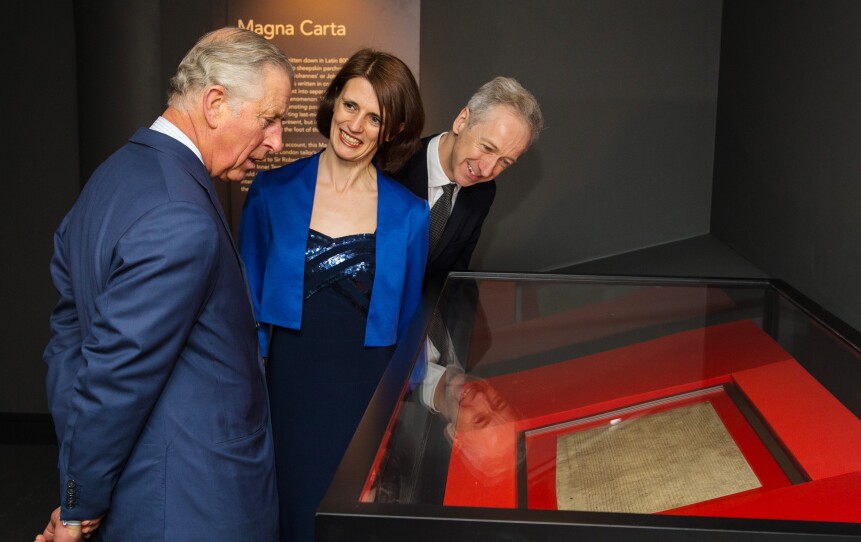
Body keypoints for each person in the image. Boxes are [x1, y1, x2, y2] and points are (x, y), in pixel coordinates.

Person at [37, 27, 293, 542]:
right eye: (269, 119)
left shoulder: (113, 175)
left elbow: (71, 345)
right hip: (193, 509)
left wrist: (78, 482)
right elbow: (115, 375)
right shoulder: (182, 213)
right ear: (215, 103)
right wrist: (76, 507)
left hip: (146, 495)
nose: (276, 141)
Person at [238, 49, 427, 542]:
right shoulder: (272, 192)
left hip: (365, 396)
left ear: (391, 131)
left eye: (374, 117)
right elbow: (243, 310)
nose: (356, 125)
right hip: (288, 391)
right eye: (350, 106)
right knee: (292, 517)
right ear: (332, 103)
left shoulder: (410, 216)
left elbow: (407, 328)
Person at [392, 76, 544, 288]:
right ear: (461, 121)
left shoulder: (483, 193)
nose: (488, 169)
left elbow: (454, 276)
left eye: (505, 162)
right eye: (487, 148)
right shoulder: (394, 163)